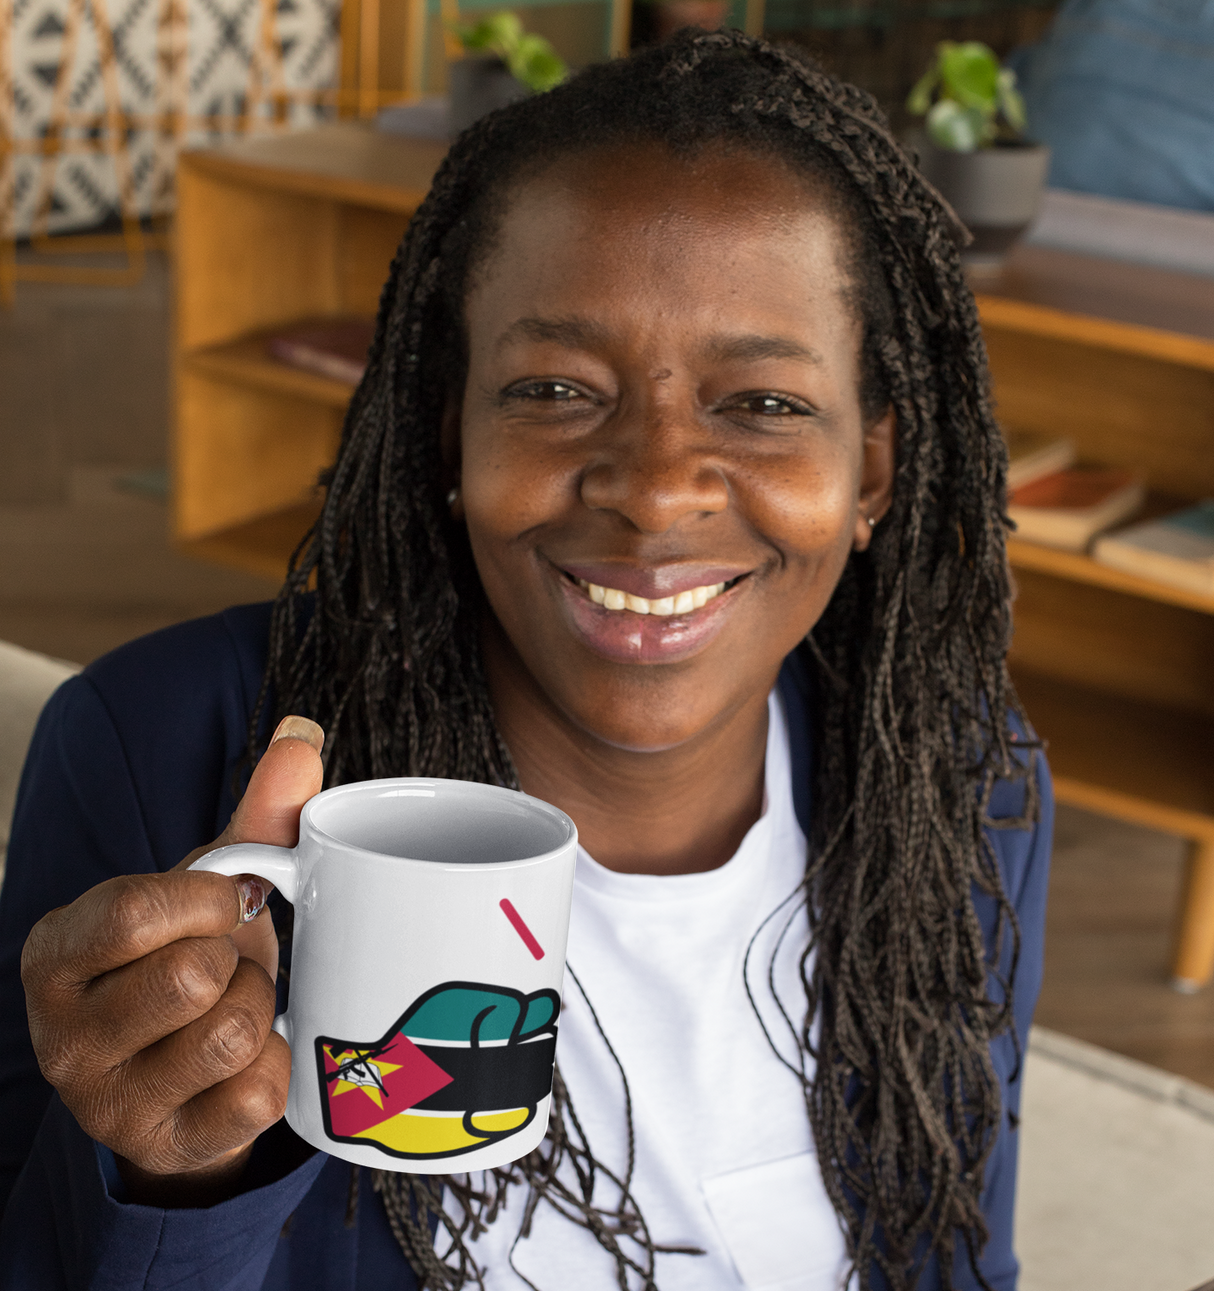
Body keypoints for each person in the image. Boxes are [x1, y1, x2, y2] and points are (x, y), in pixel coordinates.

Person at [0, 29, 1052, 1291]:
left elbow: (958, 1253)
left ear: (869, 469)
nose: (654, 490)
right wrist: (178, 1175)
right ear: (450, 431)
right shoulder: (153, 746)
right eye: (555, 389)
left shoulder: (965, 784)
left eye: (763, 404)